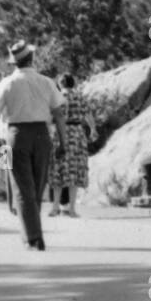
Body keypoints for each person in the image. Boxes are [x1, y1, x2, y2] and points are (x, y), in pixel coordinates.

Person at [0, 41, 66, 250]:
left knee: (21, 187)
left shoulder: (7, 83)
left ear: (14, 62)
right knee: (38, 185)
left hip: (14, 135)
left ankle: (32, 235)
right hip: (41, 134)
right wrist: (63, 141)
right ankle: (32, 230)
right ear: (31, 58)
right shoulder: (46, 82)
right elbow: (58, 114)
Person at [47, 74, 95, 218]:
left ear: (60, 84)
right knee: (73, 171)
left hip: (61, 133)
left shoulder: (57, 97)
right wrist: (93, 129)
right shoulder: (80, 97)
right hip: (78, 134)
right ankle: (72, 209)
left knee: (58, 170)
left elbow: (51, 117)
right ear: (73, 84)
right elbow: (89, 115)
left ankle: (55, 207)